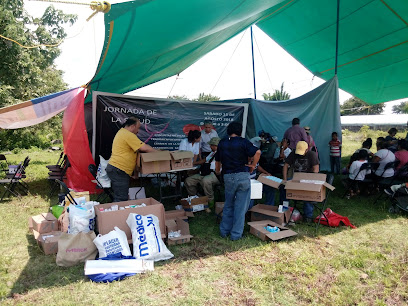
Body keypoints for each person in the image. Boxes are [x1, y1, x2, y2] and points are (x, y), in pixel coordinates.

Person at [215, 122, 260, 241]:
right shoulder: (243, 142)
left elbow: (217, 160)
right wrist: (253, 166)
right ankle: (236, 235)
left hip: (228, 176)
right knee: (240, 207)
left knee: (228, 204)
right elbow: (257, 152)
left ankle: (224, 231)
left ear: (228, 130)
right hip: (242, 175)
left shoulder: (222, 142)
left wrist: (218, 171)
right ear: (240, 131)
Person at [106, 117, 156, 202]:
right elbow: (144, 148)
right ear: (133, 126)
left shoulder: (123, 133)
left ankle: (118, 212)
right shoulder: (127, 134)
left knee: (122, 196)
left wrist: (136, 173)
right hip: (119, 169)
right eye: (138, 128)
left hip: (118, 169)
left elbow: (135, 155)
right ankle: (116, 214)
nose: (138, 131)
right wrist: (160, 153)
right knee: (121, 198)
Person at [282, 141, 319, 222]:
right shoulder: (293, 153)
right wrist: (285, 179)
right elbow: (285, 165)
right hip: (295, 179)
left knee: (308, 193)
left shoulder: (312, 155)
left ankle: (308, 215)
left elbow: (316, 169)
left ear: (306, 150)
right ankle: (284, 209)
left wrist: (311, 180)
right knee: (283, 187)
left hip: (307, 180)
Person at [184, 137, 221, 209]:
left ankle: (210, 201)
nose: (210, 146)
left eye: (211, 145)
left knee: (206, 180)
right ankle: (195, 199)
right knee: (189, 180)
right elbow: (204, 160)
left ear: (215, 146)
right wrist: (193, 163)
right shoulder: (212, 153)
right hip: (205, 173)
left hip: (215, 175)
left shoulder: (223, 154)